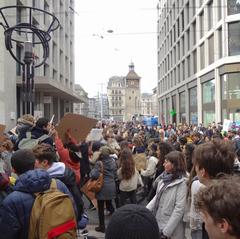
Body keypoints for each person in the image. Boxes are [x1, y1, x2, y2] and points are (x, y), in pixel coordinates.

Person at [0, 149, 76, 239]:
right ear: (35, 163)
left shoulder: (11, 200)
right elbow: (73, 211)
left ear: (14, 170)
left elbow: (8, 233)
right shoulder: (58, 184)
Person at [33, 143, 85, 228]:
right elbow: (78, 200)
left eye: (34, 161)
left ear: (44, 162)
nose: (33, 165)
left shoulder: (52, 181)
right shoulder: (66, 173)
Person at [147, 151, 187, 239]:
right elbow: (156, 197)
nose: (163, 164)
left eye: (166, 162)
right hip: (158, 220)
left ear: (174, 165)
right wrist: (144, 211)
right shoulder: (163, 178)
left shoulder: (182, 183)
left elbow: (179, 210)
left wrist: (166, 232)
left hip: (170, 229)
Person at [89, 145, 117, 233]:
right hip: (111, 186)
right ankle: (115, 222)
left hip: (102, 187)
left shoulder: (99, 163)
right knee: (110, 205)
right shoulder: (113, 161)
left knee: (101, 209)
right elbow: (115, 174)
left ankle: (102, 227)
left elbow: (94, 175)